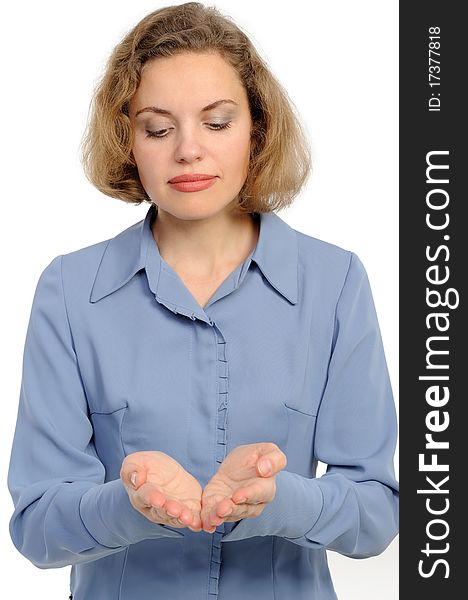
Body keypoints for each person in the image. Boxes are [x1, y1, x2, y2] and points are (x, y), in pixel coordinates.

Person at [7, 3, 399, 599]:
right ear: (127, 140)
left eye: (216, 122)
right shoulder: (69, 291)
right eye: (158, 128)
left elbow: (377, 513)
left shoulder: (336, 281)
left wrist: (280, 499)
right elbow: (37, 526)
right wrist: (131, 505)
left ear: (257, 129)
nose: (187, 150)